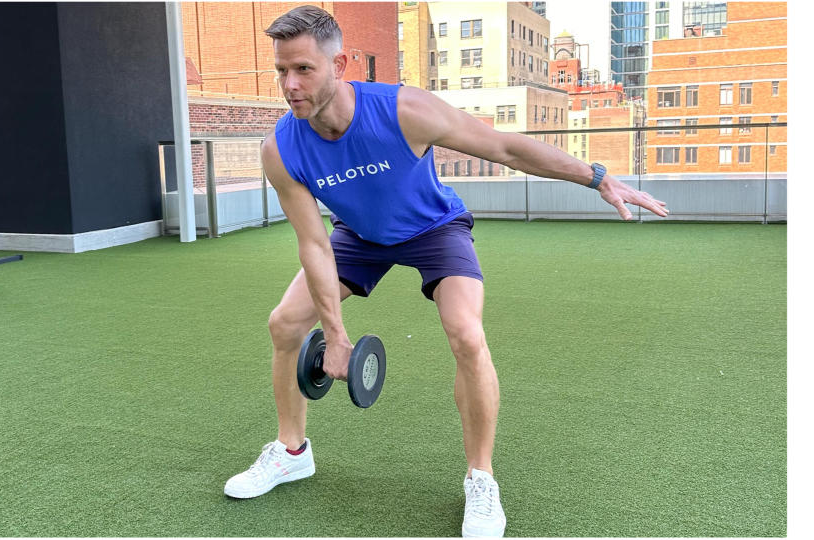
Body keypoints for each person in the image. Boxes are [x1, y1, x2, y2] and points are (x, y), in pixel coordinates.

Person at [222, 6, 669, 537]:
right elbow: (314, 245)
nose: (289, 85)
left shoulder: (403, 110)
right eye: (281, 71)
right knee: (284, 324)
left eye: (303, 69)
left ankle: (481, 478)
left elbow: (504, 147)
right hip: (359, 237)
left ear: (338, 63)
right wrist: (335, 335)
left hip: (434, 228)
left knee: (466, 335)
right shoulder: (282, 148)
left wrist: (595, 176)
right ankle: (292, 451)